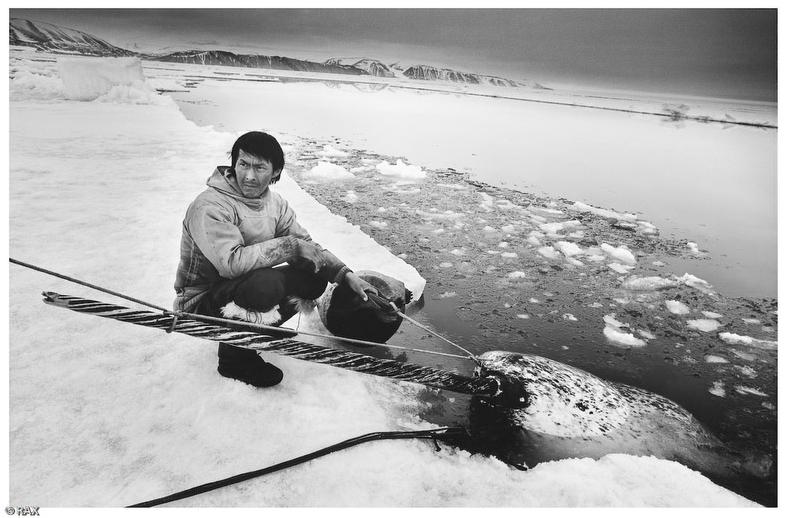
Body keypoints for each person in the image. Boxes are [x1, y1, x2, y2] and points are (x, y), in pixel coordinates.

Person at [174, 131, 377, 387]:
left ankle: (259, 328)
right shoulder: (210, 206)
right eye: (243, 164)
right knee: (266, 284)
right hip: (203, 304)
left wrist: (346, 276)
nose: (249, 175)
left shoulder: (275, 204)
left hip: (241, 288)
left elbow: (307, 247)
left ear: (275, 172)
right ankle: (234, 359)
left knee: (313, 278)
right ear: (233, 164)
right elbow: (231, 264)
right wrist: (291, 247)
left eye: (259, 168)